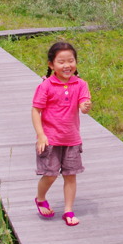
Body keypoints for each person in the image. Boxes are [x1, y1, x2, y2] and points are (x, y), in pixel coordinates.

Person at [32, 40, 92, 226]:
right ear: (51, 65)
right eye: (61, 62)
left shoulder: (81, 84)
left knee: (70, 175)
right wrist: (41, 135)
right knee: (50, 175)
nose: (67, 65)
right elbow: (36, 111)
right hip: (50, 140)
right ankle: (40, 198)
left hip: (72, 139)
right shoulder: (46, 86)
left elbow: (84, 106)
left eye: (71, 61)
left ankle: (68, 210)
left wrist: (85, 106)